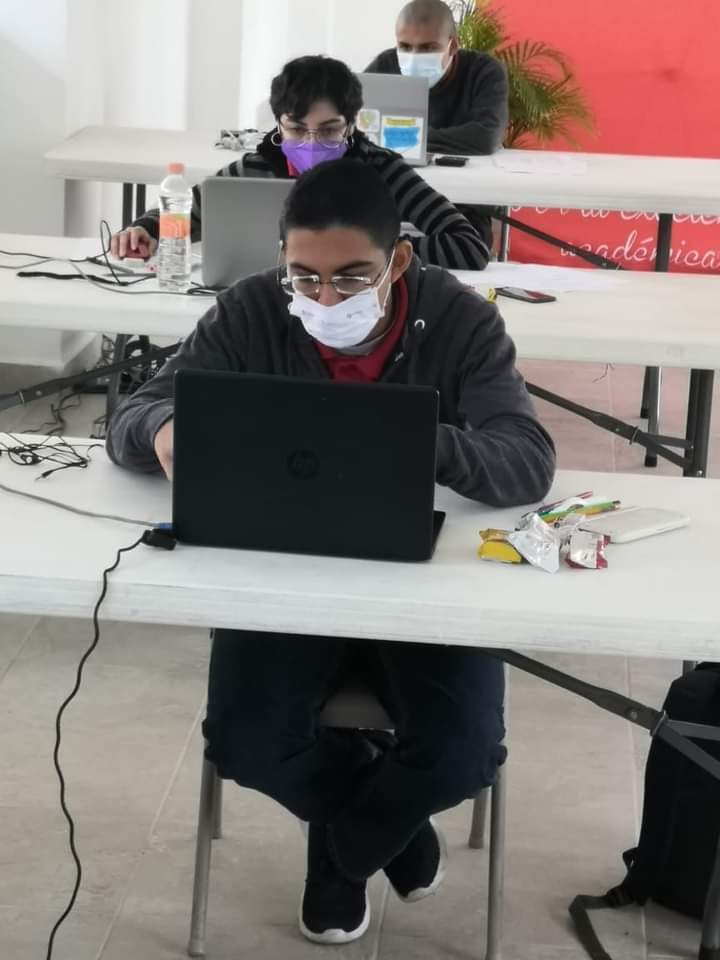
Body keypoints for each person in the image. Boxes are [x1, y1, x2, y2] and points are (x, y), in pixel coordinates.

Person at [106, 161, 555, 945]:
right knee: (246, 743)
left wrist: (410, 441)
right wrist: (164, 428)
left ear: (399, 260)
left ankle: (342, 853)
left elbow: (527, 460)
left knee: (463, 756)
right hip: (285, 572)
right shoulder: (252, 310)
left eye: (351, 278)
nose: (324, 298)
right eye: (304, 277)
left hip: (422, 581)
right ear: (281, 260)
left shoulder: (459, 320)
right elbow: (132, 417)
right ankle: (390, 834)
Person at [111, 54, 491, 269]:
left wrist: (371, 254)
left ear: (351, 125)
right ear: (278, 125)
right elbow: (182, 212)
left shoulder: (381, 171)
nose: (310, 142)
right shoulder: (256, 167)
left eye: (329, 129)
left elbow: (467, 245)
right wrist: (145, 229)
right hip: (265, 305)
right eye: (296, 128)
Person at [365, 0, 509, 156]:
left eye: (428, 48)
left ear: (453, 46)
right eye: (405, 46)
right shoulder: (385, 65)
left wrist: (397, 137)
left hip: (470, 169)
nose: (413, 58)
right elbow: (351, 120)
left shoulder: (484, 71)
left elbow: (487, 137)